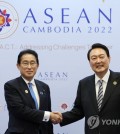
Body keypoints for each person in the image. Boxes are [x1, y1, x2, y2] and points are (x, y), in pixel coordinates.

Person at [55, 43, 120, 134]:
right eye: (94, 58)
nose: (98, 61)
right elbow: (79, 110)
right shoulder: (84, 83)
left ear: (109, 58)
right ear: (89, 62)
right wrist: (61, 117)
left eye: (101, 57)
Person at [4, 49, 62, 134]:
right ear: (18, 66)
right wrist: (49, 115)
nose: (29, 67)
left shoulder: (44, 87)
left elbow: (47, 113)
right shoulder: (11, 86)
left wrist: (51, 117)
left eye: (32, 63)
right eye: (25, 63)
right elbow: (20, 110)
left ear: (37, 65)